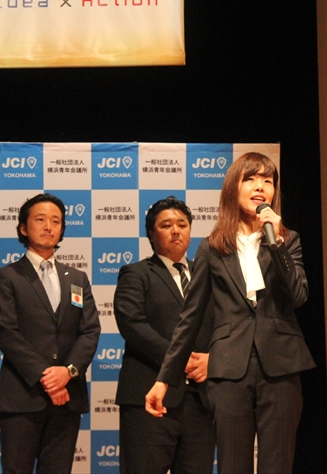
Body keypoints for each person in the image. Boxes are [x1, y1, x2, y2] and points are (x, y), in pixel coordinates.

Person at [145, 153, 315, 474]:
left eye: (267, 180)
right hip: (228, 371)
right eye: (250, 179)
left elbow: (298, 295)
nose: (260, 187)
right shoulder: (212, 247)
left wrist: (277, 243)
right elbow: (189, 320)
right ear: (232, 190)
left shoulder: (287, 240)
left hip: (281, 365)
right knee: (232, 465)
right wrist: (164, 379)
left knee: (278, 465)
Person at [0, 193, 100, 474]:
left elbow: (90, 330)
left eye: (56, 221)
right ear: (23, 228)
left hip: (68, 396)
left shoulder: (77, 278)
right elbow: (7, 333)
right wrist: (47, 377)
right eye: (40, 219)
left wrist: (68, 372)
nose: (49, 226)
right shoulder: (7, 276)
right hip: (23, 396)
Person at [114, 196, 215, 474]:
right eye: (166, 225)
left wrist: (213, 359)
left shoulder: (208, 276)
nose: (176, 231)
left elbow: (226, 326)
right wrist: (177, 359)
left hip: (201, 400)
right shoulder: (135, 273)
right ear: (151, 233)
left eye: (182, 224)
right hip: (149, 399)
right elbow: (132, 324)